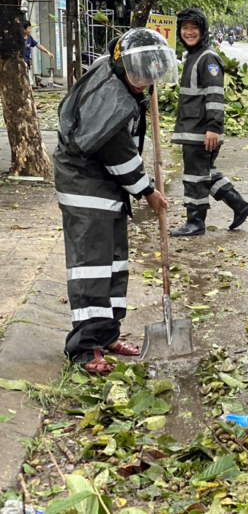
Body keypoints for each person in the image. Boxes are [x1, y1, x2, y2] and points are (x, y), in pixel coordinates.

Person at [54, 28, 174, 374]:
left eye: (150, 75)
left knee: (115, 262)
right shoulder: (110, 98)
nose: (145, 81)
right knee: (92, 266)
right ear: (123, 68)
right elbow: (119, 154)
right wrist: (148, 191)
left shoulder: (120, 75)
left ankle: (107, 334)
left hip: (107, 186)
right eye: (139, 75)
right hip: (85, 182)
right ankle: (83, 346)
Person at [170, 8, 248, 237]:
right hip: (193, 129)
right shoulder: (191, 56)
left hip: (201, 131)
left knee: (196, 177)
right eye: (184, 28)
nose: (188, 32)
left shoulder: (208, 58)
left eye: (193, 28)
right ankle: (239, 205)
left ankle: (195, 222)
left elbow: (215, 96)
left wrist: (213, 128)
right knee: (206, 172)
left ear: (203, 31)